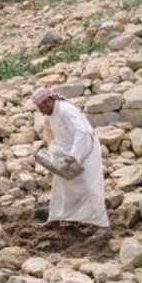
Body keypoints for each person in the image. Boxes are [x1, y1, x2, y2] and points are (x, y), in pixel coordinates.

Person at [32, 87, 112, 243]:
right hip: (66, 153)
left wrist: (74, 155)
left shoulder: (66, 110)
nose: (41, 112)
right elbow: (50, 130)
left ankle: (103, 226)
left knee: (91, 186)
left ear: (48, 101)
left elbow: (81, 133)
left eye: (41, 107)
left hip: (86, 151)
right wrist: (49, 148)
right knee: (59, 185)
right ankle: (55, 218)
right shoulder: (51, 112)